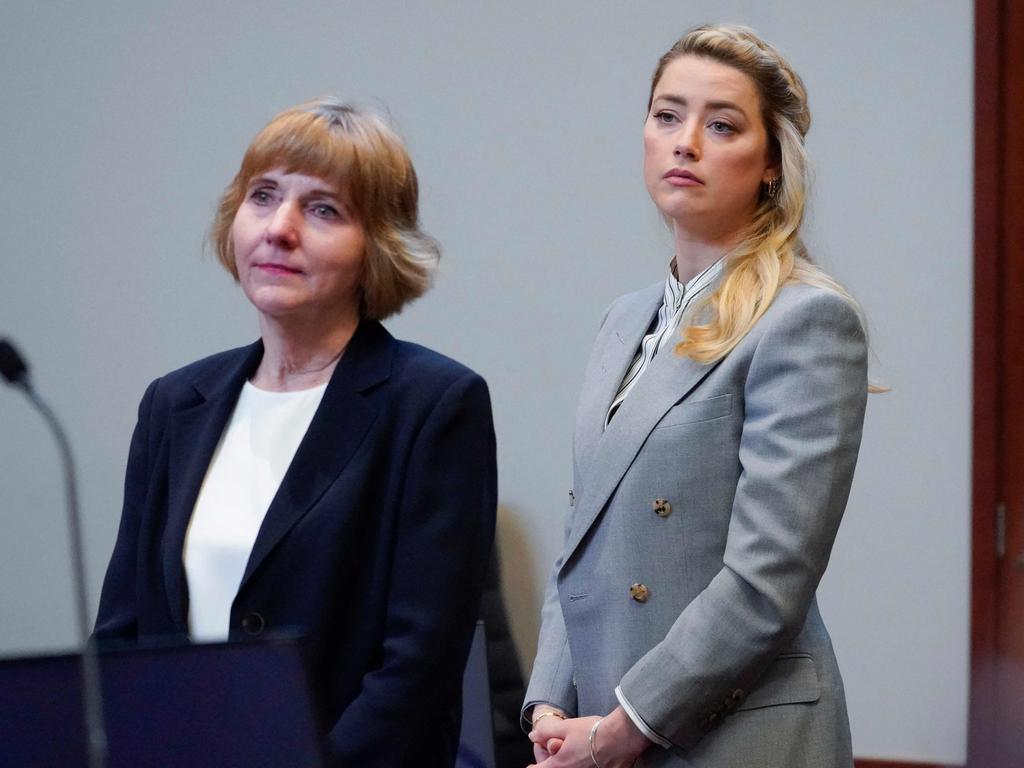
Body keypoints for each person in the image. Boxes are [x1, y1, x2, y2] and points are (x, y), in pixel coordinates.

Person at [94, 99, 497, 767]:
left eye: (322, 209)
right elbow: (123, 639)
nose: (279, 228)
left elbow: (416, 670)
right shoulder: (174, 406)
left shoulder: (432, 406)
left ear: (377, 246)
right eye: (263, 196)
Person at [523, 24, 872, 768]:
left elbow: (768, 579)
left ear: (772, 165)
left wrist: (625, 725)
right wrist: (551, 700)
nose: (686, 143)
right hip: (601, 722)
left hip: (738, 732)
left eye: (721, 125)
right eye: (667, 115)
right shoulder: (623, 319)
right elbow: (582, 536)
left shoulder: (806, 318)